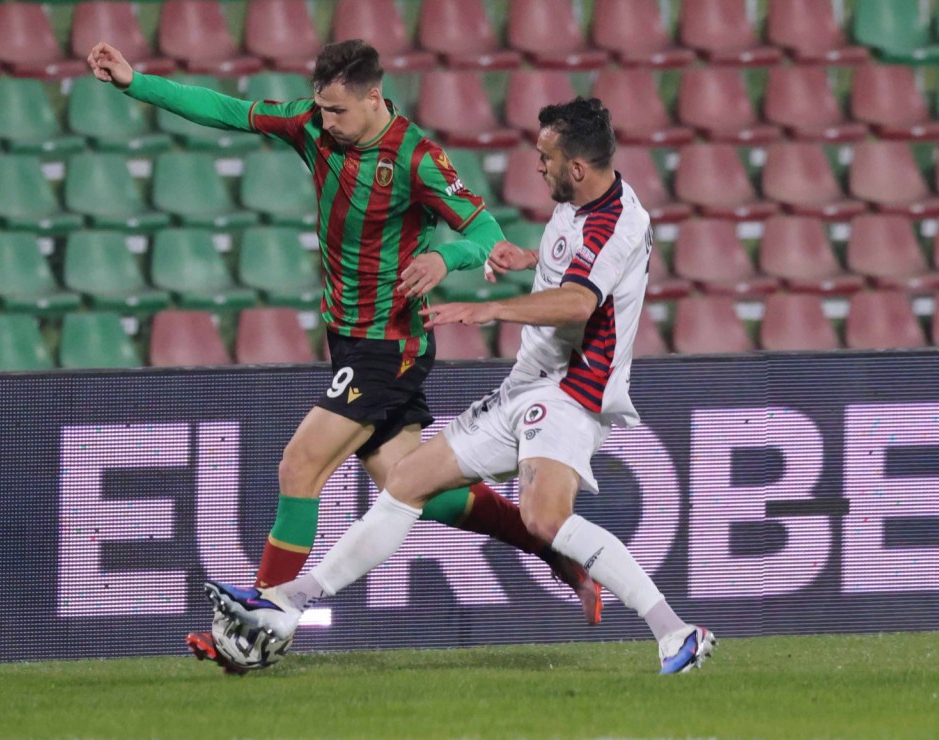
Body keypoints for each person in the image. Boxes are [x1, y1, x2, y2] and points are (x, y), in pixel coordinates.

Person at [87, 40, 601, 673]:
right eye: (322, 109)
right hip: (351, 343)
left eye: (337, 110)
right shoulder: (313, 127)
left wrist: (447, 258)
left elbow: (486, 234)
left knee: (299, 466)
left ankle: (260, 626)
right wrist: (135, 82)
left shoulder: (418, 157)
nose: (325, 122)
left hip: (393, 345)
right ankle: (545, 540)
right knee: (415, 488)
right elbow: (227, 109)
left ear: (373, 98)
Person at [205, 97, 716, 674]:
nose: (537, 166)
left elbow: (579, 299)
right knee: (406, 481)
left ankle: (676, 632)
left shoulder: (619, 222)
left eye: (545, 157)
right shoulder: (578, 204)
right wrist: (527, 259)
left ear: (577, 166)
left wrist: (490, 308)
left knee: (545, 518)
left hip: (572, 392)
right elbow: (573, 269)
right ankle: (286, 604)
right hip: (528, 386)